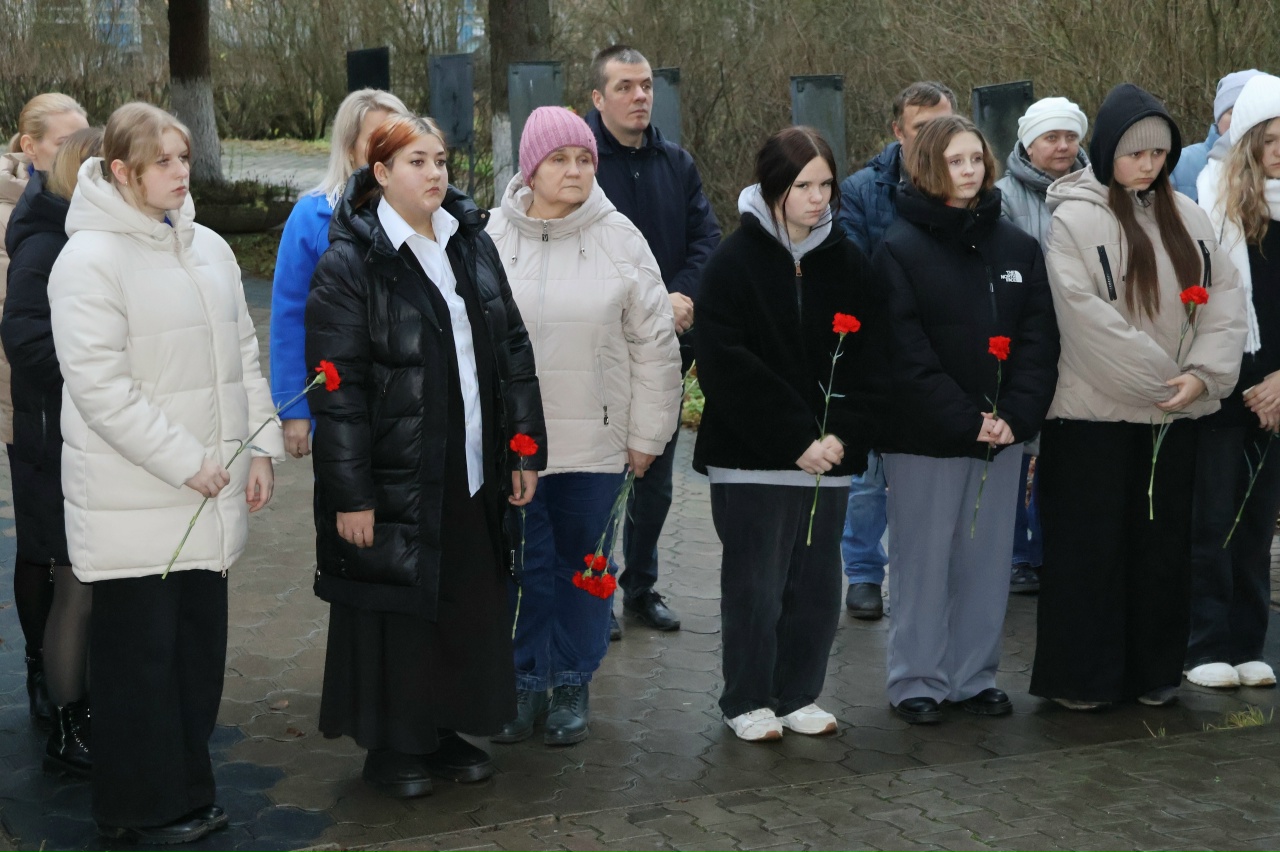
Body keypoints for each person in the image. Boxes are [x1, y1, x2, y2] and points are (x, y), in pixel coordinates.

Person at [48, 102, 282, 843]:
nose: (182, 173)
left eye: (185, 158)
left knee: (194, 661)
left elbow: (242, 354)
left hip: (206, 494)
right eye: (164, 162)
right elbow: (100, 389)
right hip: (136, 497)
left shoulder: (207, 247)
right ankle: (135, 810)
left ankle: (184, 793)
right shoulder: (87, 260)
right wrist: (188, 463)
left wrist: (259, 447)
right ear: (122, 171)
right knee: (138, 669)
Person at [307, 113, 546, 797]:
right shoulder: (352, 261)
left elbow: (512, 350)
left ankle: (443, 731)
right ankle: (393, 747)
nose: (435, 173)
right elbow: (337, 390)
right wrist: (352, 495)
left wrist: (523, 449)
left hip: (469, 466)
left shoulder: (470, 243)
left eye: (440, 160)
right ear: (381, 174)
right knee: (397, 610)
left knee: (463, 600)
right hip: (395, 472)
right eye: (417, 162)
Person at [1031, 83, 1246, 711]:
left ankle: (1153, 671)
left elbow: (1226, 302)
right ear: (1107, 153)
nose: (1149, 165)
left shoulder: (1191, 217)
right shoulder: (1072, 218)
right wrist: (1167, 384)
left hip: (1174, 415)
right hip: (1092, 419)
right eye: (1135, 154)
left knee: (1160, 552)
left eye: (1158, 154)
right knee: (1091, 553)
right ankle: (1083, 680)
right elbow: (1085, 319)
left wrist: (1202, 377)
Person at [486, 106, 680, 746]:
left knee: (585, 567)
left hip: (596, 446)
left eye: (584, 158)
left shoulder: (620, 238)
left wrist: (647, 435)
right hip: (517, 450)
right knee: (523, 566)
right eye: (559, 159)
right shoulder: (490, 237)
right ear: (529, 169)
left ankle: (571, 678)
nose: (574, 170)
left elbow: (655, 343)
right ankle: (522, 680)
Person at [695, 126, 882, 742]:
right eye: (803, 185)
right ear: (774, 185)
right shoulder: (733, 262)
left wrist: (841, 437)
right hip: (753, 460)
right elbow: (725, 363)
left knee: (817, 586)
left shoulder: (849, 261)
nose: (817, 198)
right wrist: (795, 438)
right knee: (756, 586)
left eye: (826, 184)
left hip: (829, 459)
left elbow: (871, 361)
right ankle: (747, 698)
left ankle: (798, 692)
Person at [874, 116, 1059, 725]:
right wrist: (965, 417)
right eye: (956, 160)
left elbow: (1039, 342)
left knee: (986, 563)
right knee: (923, 564)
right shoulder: (898, 248)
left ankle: (972, 677)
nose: (971, 170)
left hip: (1001, 438)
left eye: (977, 158)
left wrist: (1015, 416)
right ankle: (916, 680)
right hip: (925, 438)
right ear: (929, 166)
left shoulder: (1018, 248)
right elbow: (903, 351)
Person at [585, 44, 721, 637]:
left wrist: (681, 295)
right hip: (600, 351)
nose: (640, 96)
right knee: (599, 482)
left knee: (656, 484)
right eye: (625, 87)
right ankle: (596, 594)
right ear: (598, 97)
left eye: (645, 85)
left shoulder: (676, 163)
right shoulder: (580, 164)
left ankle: (640, 588)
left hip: (665, 349)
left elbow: (706, 238)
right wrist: (650, 303)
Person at [2, 126, 103, 779]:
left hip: (89, 434)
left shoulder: (88, 236)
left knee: (87, 578)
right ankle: (68, 723)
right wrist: (105, 374)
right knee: (71, 576)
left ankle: (87, 703)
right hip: (54, 435)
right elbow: (26, 341)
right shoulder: (45, 243)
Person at [836, 81, 956, 621]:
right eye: (921, 127)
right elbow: (851, 268)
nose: (933, 137)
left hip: (943, 354)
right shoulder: (862, 190)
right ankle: (863, 572)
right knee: (867, 479)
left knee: (933, 477)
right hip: (878, 352)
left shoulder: (964, 180)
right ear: (897, 131)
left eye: (942, 125)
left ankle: (926, 574)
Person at [1186, 72, 1280, 690]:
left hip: (1277, 393)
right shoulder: (1209, 205)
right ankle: (1205, 645)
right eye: (1270, 139)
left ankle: (1249, 643)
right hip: (1225, 386)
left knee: (1257, 524)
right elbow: (1208, 304)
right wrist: (1250, 381)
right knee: (1213, 520)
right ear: (1247, 142)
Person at [271, 88, 407, 459]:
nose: (390, 150)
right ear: (349, 149)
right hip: (341, 405)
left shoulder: (428, 216)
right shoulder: (311, 217)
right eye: (378, 140)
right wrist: (294, 407)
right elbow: (290, 316)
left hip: (415, 403)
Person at [995, 96, 1090, 595]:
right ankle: (1014, 553)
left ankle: (1053, 550)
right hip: (1025, 338)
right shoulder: (1002, 197)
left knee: (1064, 452)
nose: (1062, 146)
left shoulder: (1096, 191)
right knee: (1015, 450)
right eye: (1051, 137)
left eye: (1070, 136)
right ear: (1028, 144)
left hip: (1083, 341)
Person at [1171, 70, 1262, 203]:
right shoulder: (1180, 163)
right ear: (1218, 116)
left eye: (1252, 114)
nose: (1241, 121)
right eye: (1233, 112)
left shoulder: (1274, 163)